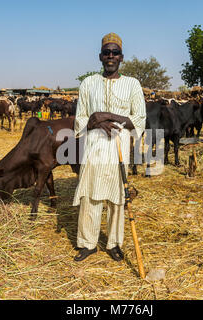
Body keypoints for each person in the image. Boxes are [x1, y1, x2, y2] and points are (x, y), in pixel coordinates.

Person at [73, 33, 146, 262]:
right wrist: (95, 120)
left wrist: (106, 115)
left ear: (121, 57)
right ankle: (88, 243)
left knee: (117, 199)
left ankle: (114, 244)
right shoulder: (88, 83)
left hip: (119, 150)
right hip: (94, 149)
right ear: (100, 56)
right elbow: (80, 119)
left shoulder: (132, 84)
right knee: (90, 198)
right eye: (107, 52)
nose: (111, 56)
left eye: (115, 52)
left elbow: (139, 120)